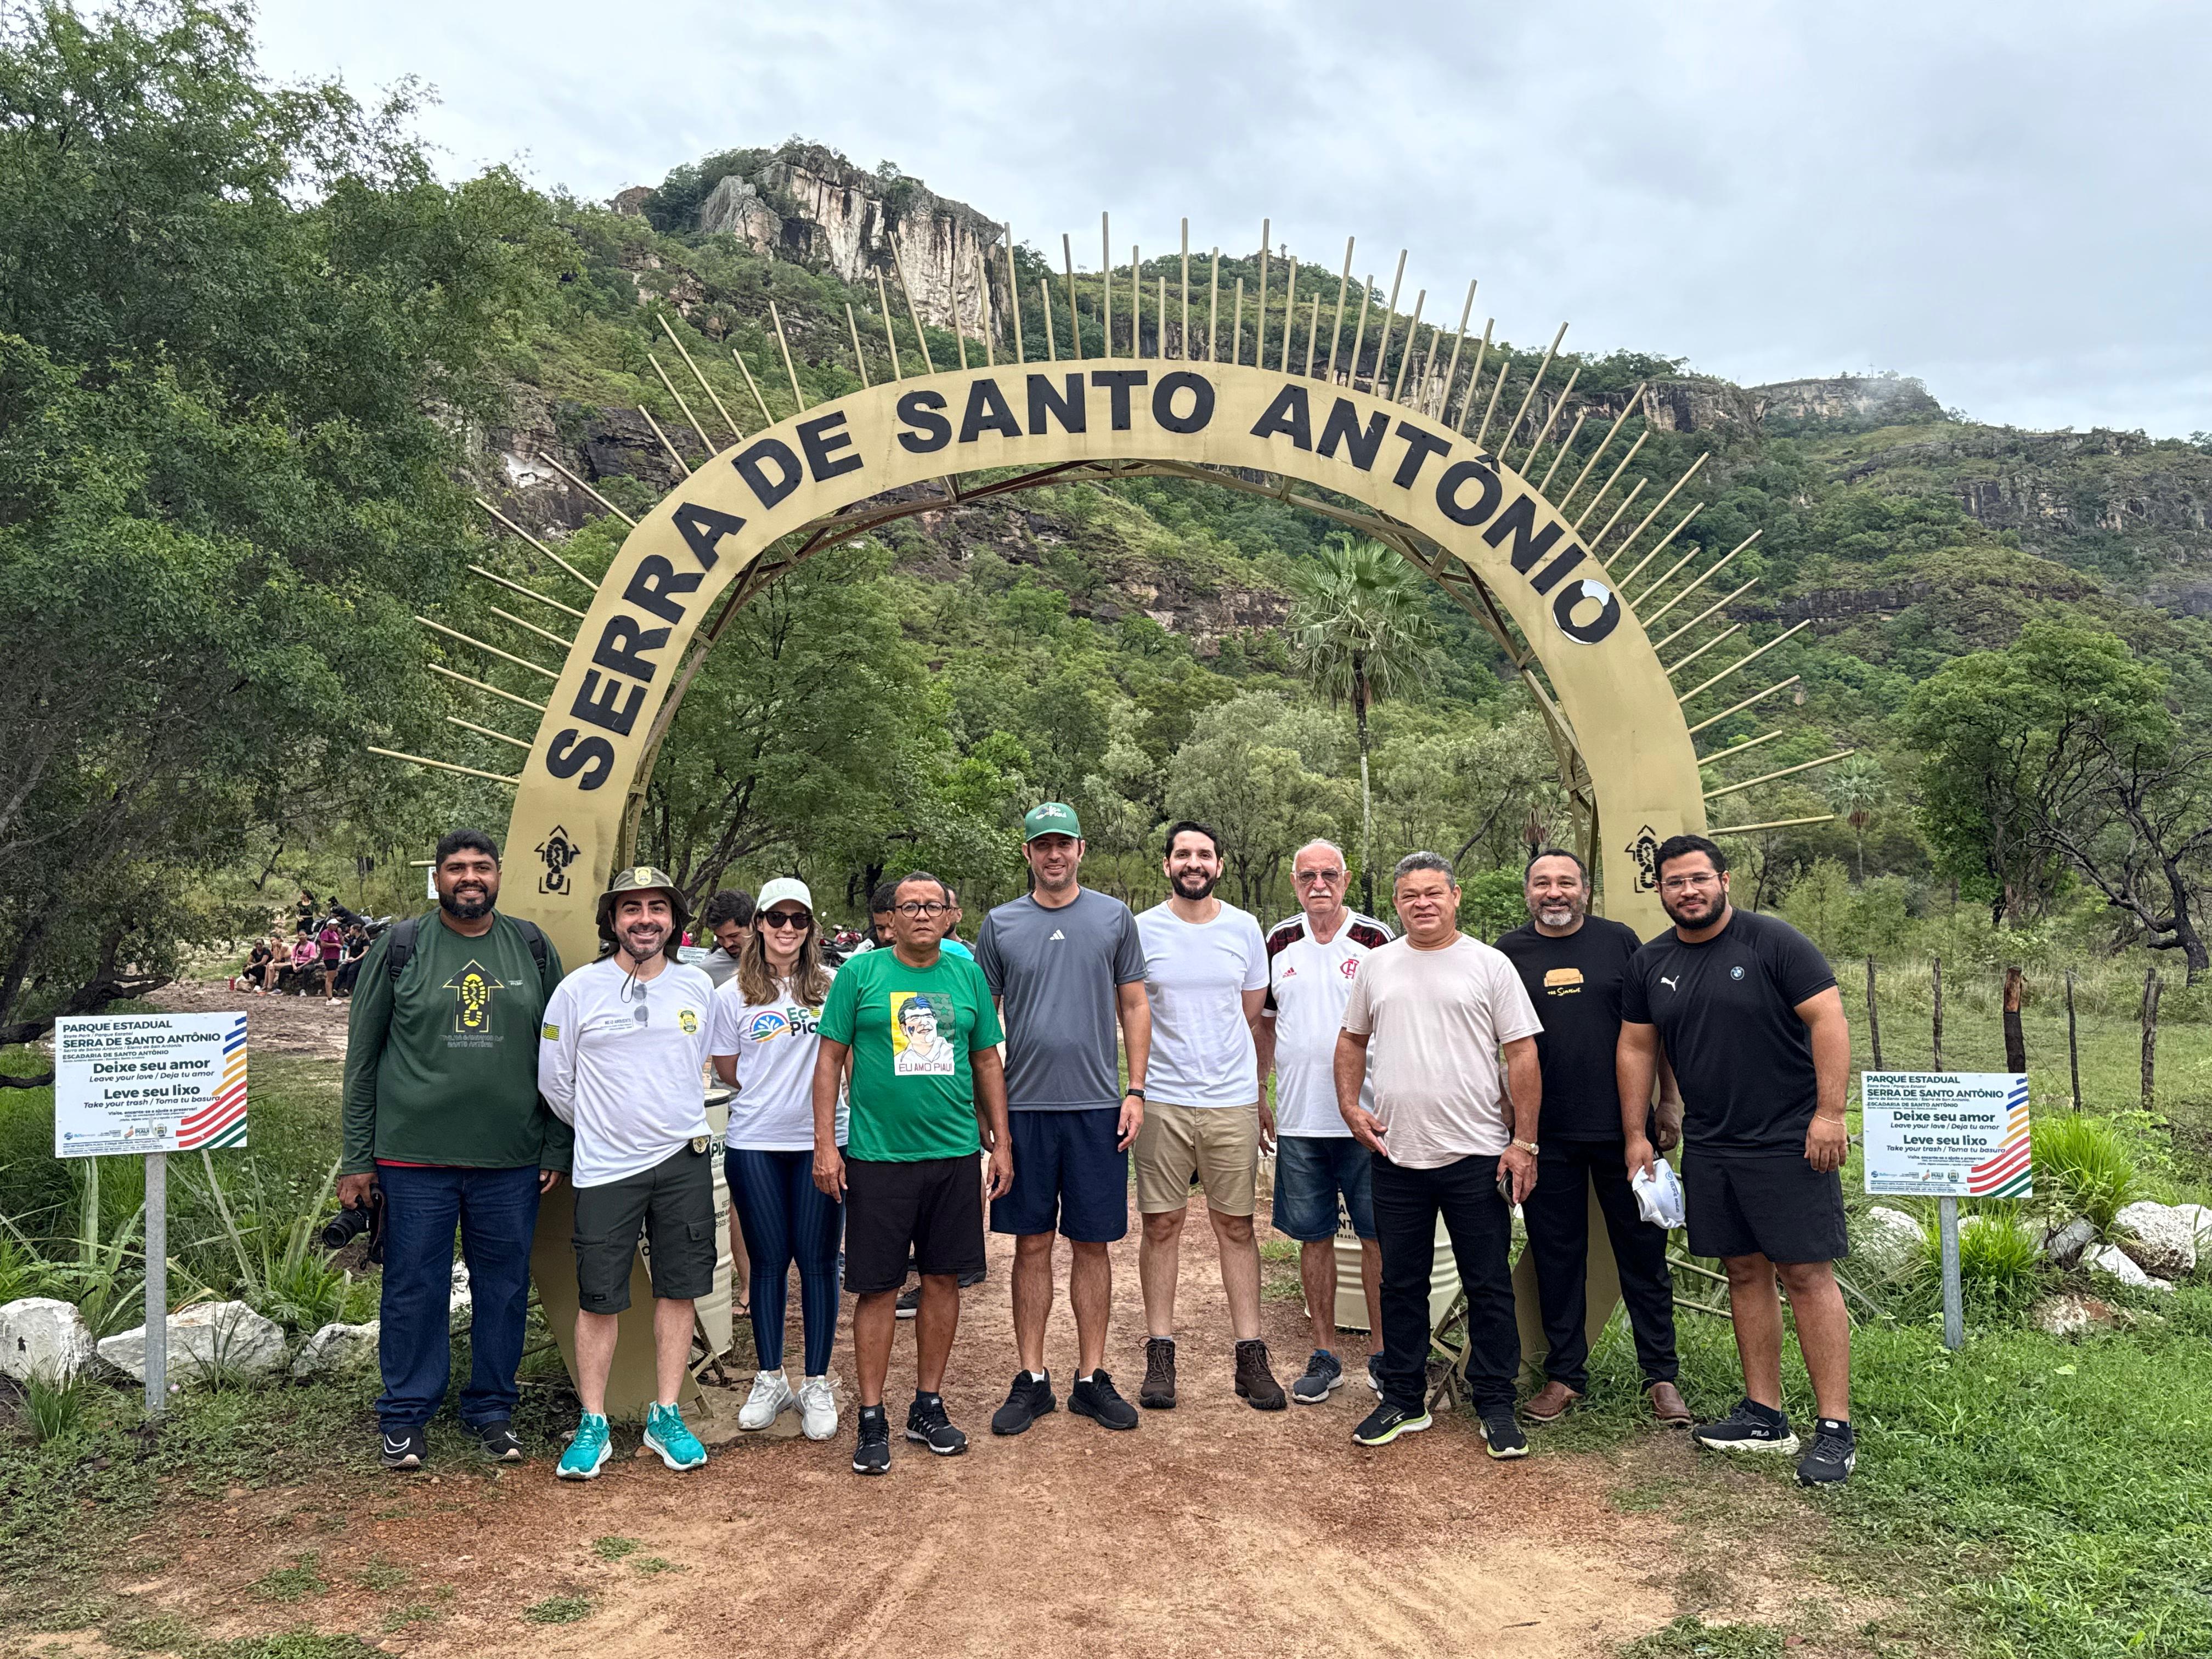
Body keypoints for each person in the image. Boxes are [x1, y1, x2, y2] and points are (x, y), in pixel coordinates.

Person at [1617, 834, 1858, 1487]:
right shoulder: (1653, 962)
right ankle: (1764, 1414)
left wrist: (1829, 1115)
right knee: (1744, 1271)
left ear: (1725, 880)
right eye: (1674, 883)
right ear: (1660, 891)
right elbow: (1638, 1048)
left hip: (1789, 1138)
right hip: (1712, 1143)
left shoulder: (1773, 943)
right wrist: (1638, 1132)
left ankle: (1835, 1428)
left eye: (1698, 879)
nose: (1687, 892)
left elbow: (1828, 1019)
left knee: (1806, 1274)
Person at [339, 829, 568, 1471]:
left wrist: (554, 1143)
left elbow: (559, 1054)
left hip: (511, 1159)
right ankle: (406, 1416)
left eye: (482, 867)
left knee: (503, 1288)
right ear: (436, 878)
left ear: (499, 875)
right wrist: (357, 1158)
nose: (470, 877)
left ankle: (492, 1409)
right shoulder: (402, 947)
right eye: (456, 868)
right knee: (414, 1287)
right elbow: (362, 1060)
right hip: (415, 1160)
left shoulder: (530, 947)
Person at [1335, 851, 1542, 1456]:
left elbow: (1522, 1055)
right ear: (1396, 904)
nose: (1421, 903)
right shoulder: (1377, 966)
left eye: (1432, 893)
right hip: (1397, 1153)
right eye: (1408, 896)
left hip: (1478, 1154)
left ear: (1456, 896)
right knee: (1401, 1281)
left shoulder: (1489, 965)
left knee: (1488, 1284)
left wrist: (1523, 1142)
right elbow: (1351, 1040)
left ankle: (1496, 1403)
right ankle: (1402, 1398)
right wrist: (1351, 1107)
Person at [811, 872, 1011, 1476]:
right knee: (876, 1288)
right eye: (908, 907)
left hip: (952, 1155)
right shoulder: (859, 975)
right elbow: (828, 1061)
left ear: (951, 915)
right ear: (890, 919)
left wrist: (1000, 1142)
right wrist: (827, 1145)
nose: (921, 915)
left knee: (943, 1280)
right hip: (877, 1158)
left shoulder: (966, 974)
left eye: (932, 906)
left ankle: (927, 1405)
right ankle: (872, 1416)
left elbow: (985, 1059)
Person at [1495, 850, 1689, 1427]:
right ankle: (1564, 1376)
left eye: (1566, 882)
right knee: (1558, 1259)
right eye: (1542, 883)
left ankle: (1661, 1377)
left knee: (1644, 1254)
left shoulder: (1621, 943)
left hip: (1626, 1133)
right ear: (1527, 891)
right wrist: (1510, 1124)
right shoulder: (1507, 954)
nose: (1554, 893)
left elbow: (1656, 1030)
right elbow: (1494, 1043)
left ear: (1586, 888)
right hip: (1544, 1137)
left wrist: (1670, 1101)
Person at [538, 867, 719, 1481]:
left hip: (682, 1160)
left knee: (679, 1286)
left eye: (657, 908)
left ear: (674, 919)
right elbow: (555, 1081)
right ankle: (593, 1422)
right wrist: (602, 1126)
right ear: (612, 921)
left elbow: (698, 1064)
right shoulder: (578, 990)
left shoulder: (697, 987)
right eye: (631, 908)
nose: (645, 919)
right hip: (606, 1166)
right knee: (600, 1295)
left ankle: (665, 1415)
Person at [976, 803, 1150, 1437]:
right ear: (1027, 854)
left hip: (1098, 1107)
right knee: (1031, 1244)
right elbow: (981, 1021)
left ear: (1081, 849)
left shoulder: (1113, 917)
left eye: (1063, 845)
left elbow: (1134, 1003)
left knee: (1093, 1243)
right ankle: (1033, 1378)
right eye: (1041, 846)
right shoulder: (1000, 924)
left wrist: (1135, 1089)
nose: (1053, 855)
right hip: (1024, 1109)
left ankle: (1090, 1378)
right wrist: (987, 1110)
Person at [1133, 821, 1283, 1411]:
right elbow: (1133, 1010)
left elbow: (1250, 1015)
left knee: (1237, 1227)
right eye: (1182, 854)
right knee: (1161, 1226)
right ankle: (1160, 1354)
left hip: (1230, 1099)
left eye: (1204, 855)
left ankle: (1251, 1356)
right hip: (1163, 1098)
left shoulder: (1245, 928)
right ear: (1167, 864)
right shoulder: (1142, 929)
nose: (1193, 863)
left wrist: (1256, 1090)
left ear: (1219, 864)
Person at [1254, 838, 1392, 1405]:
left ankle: (1386, 1356)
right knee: (1313, 1238)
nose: (1319, 885)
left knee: (1378, 1236)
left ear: (1347, 878)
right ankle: (1325, 1354)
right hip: (1301, 1118)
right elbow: (1265, 1024)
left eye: (1329, 874)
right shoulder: (1278, 941)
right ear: (1294, 882)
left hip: (1368, 1118)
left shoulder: (1377, 940)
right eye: (1307, 875)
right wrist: (1260, 1093)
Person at [710, 877, 844, 1441]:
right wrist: (773, 1093)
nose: (787, 929)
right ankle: (770, 1377)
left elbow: (848, 1062)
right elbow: (727, 1068)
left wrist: (832, 1130)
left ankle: (816, 1381)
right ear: (759, 922)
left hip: (823, 1143)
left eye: (798, 920)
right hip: (756, 1142)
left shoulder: (834, 988)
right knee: (767, 1263)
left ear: (810, 927)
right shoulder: (729, 996)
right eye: (776, 918)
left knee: (817, 1263)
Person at [698, 888, 755, 990]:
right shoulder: (705, 973)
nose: (727, 944)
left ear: (753, 925)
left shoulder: (781, 960)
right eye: (720, 937)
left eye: (733, 936)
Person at [317, 917, 345, 1000]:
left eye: (337, 925)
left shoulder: (335, 934)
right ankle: (330, 997)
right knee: (330, 978)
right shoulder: (326, 933)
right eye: (334, 925)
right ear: (329, 925)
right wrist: (335, 945)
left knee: (333, 977)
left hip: (335, 957)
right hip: (329, 957)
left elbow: (341, 944)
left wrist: (340, 936)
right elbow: (324, 944)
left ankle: (331, 995)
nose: (336, 927)